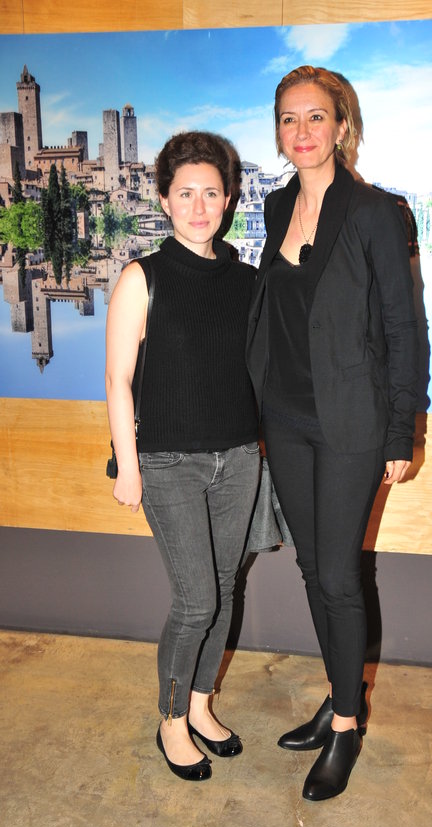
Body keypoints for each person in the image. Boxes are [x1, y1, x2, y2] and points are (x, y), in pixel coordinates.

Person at [246, 66, 418, 801]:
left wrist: (402, 431)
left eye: (316, 116)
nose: (302, 131)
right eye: (289, 118)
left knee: (341, 576)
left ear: (342, 125)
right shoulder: (275, 204)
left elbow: (403, 327)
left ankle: (347, 725)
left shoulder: (376, 212)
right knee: (313, 568)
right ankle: (338, 693)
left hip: (351, 422)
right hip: (284, 419)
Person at [105, 131, 260, 782]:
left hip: (241, 458)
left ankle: (200, 704)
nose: (199, 207)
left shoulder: (248, 281)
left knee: (224, 591)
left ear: (228, 200)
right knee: (196, 602)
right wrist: (128, 466)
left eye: (212, 193)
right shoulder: (142, 278)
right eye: (186, 193)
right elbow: (118, 379)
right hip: (168, 463)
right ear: (165, 201)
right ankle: (171, 720)